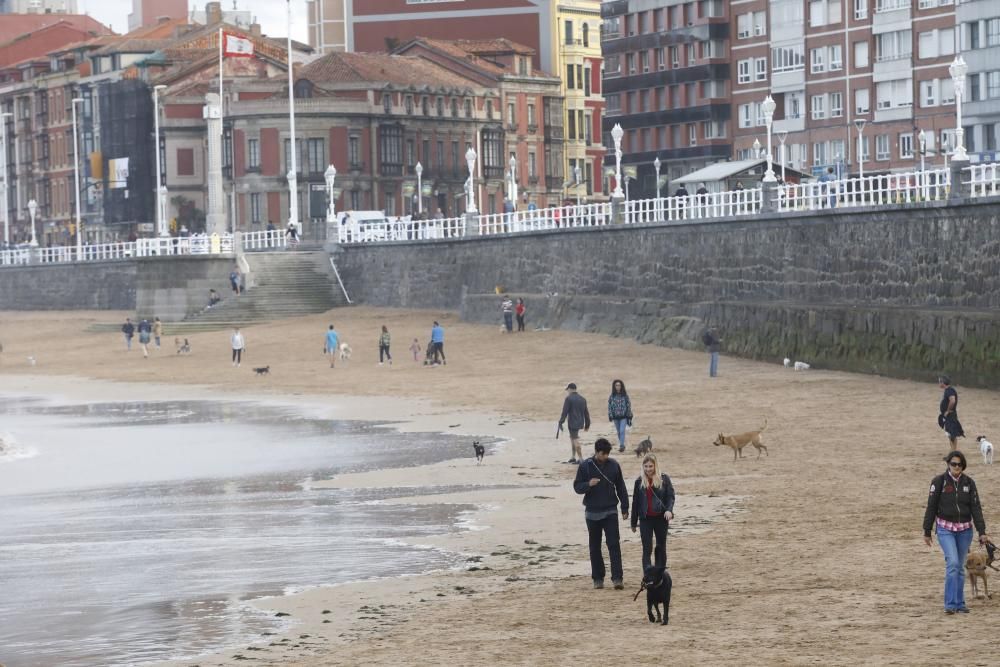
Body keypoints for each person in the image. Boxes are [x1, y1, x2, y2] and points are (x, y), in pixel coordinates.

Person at [923, 450, 989, 614]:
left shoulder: (969, 483)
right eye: (953, 463)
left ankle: (960, 603)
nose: (956, 467)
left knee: (959, 566)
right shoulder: (939, 482)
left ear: (963, 465)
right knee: (952, 563)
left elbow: (976, 507)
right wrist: (927, 530)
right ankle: (950, 604)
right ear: (948, 464)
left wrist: (982, 531)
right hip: (945, 529)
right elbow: (931, 506)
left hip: (965, 531)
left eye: (959, 464)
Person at [573, 438, 629, 590]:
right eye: (603, 454)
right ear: (596, 452)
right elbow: (577, 487)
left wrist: (625, 507)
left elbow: (621, 487)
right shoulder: (585, 466)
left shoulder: (614, 465)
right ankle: (598, 579)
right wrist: (588, 484)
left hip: (610, 510)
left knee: (614, 545)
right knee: (594, 547)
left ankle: (617, 578)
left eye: (607, 454)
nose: (605, 457)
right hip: (592, 513)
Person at [630, 453, 675, 571]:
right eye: (646, 466)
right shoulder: (639, 481)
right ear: (642, 466)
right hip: (645, 519)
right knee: (647, 548)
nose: (648, 469)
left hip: (661, 518)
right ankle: (647, 574)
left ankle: (661, 573)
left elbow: (670, 496)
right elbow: (635, 503)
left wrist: (669, 511)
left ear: (655, 466)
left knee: (661, 547)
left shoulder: (664, 479)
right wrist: (633, 522)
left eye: (651, 466)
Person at [558, 382, 591, 463]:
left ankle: (580, 458)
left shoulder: (569, 398)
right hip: (580, 422)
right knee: (572, 438)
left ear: (570, 389)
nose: (567, 391)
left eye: (567, 390)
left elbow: (565, 411)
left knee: (575, 439)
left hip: (572, 422)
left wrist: (561, 421)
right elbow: (586, 413)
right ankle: (573, 457)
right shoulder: (582, 399)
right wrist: (587, 424)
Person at [607, 379, 633, 453]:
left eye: (619, 385)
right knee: (618, 432)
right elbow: (609, 407)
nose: (618, 387)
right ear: (614, 386)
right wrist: (610, 415)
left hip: (624, 417)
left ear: (621, 386)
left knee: (622, 431)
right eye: (616, 385)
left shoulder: (625, 396)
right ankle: (622, 444)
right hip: (615, 417)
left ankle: (621, 445)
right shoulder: (611, 396)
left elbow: (628, 406)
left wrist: (629, 416)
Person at [938, 375, 964, 448]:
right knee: (950, 434)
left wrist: (948, 411)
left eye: (939, 382)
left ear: (943, 383)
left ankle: (954, 452)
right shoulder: (948, 390)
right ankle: (952, 451)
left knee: (952, 433)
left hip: (950, 415)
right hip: (949, 415)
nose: (939, 383)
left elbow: (952, 401)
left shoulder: (949, 390)